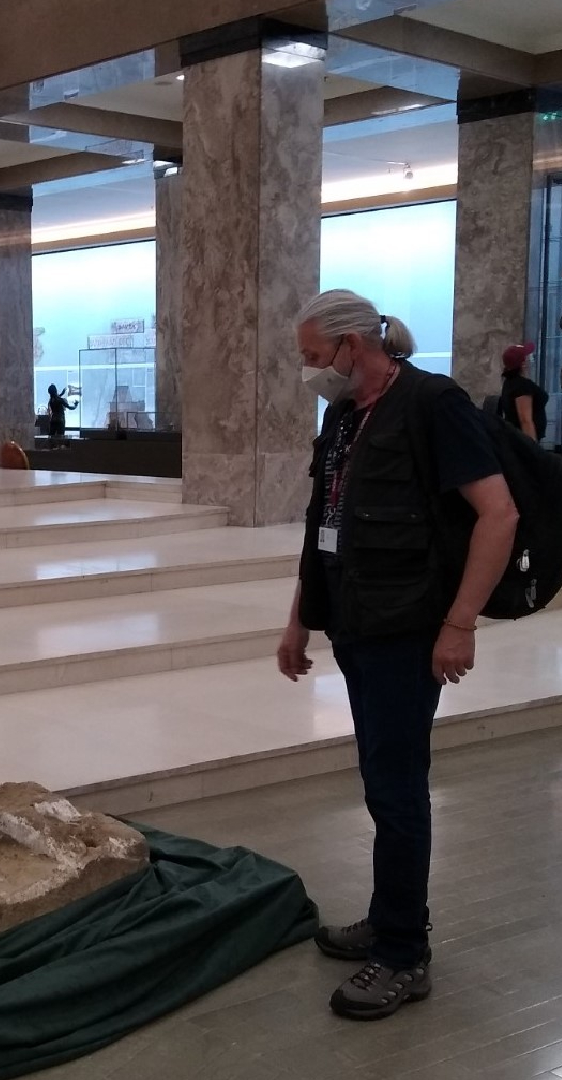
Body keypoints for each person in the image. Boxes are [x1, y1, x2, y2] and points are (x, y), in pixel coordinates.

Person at [278, 290, 517, 1021]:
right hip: (356, 624)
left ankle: (404, 954)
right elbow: (325, 524)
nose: (311, 371)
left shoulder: (432, 404)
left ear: (353, 345)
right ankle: (390, 918)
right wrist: (299, 621)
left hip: (408, 631)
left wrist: (460, 624)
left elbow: (498, 514)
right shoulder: (344, 414)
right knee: (383, 781)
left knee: (397, 789)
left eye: (315, 357)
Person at [498, 342, 547, 441]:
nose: (531, 359)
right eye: (528, 356)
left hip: (515, 438)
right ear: (523, 363)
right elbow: (525, 420)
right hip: (523, 441)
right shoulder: (522, 386)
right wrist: (532, 447)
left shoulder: (510, 382)